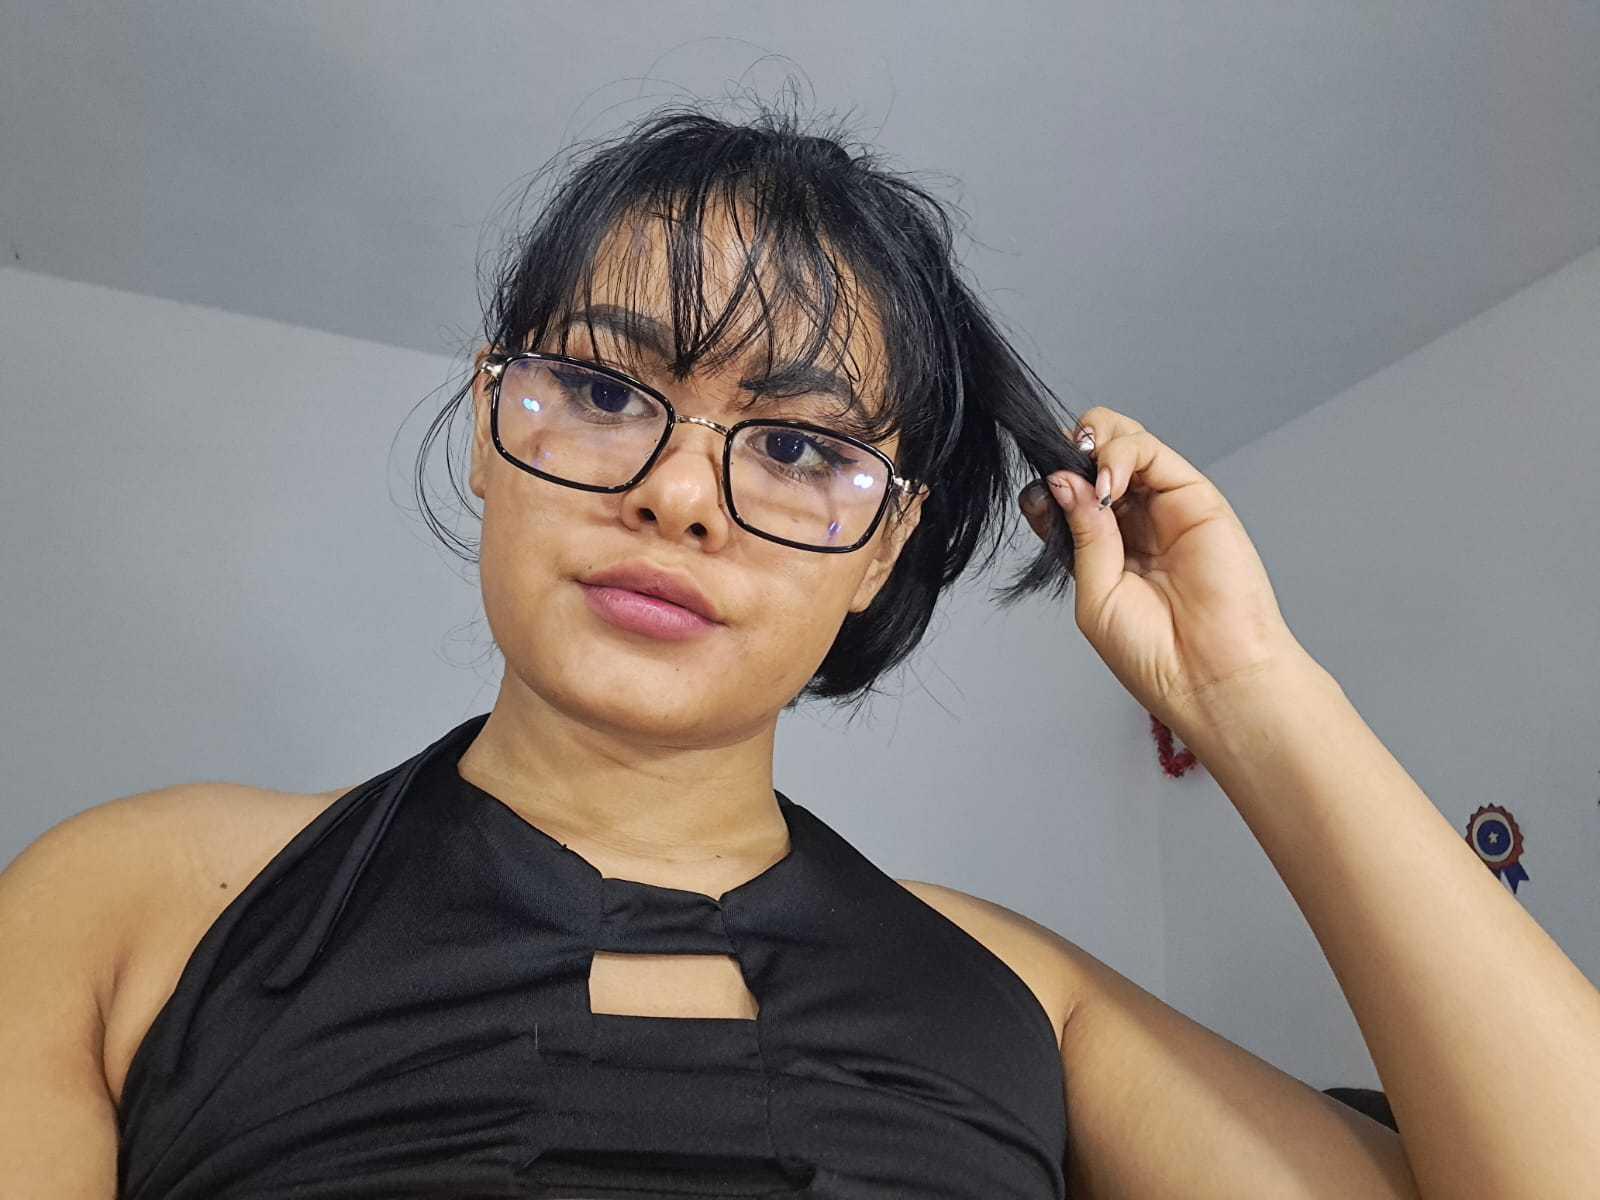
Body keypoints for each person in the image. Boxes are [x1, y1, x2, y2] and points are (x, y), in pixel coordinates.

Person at [3, 100, 1596, 1199]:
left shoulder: (1021, 997)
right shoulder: (129, 902)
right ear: (491, 424)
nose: (680, 496)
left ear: (886, 546)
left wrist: (1252, 692)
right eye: (606, 391)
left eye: (799, 449)